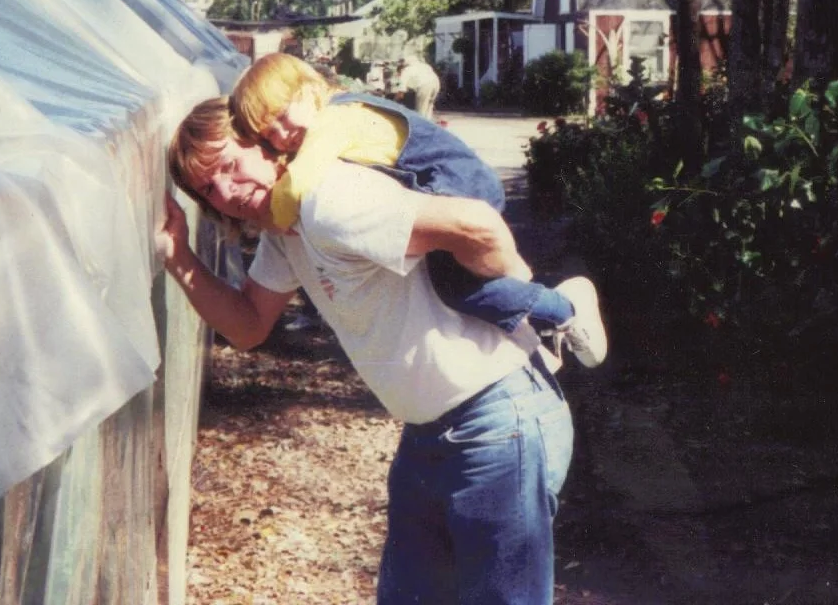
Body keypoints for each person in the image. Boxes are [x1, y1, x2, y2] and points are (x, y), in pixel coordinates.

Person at [157, 96, 575, 604]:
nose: (225, 191)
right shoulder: (286, 231)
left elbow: (477, 225)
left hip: (496, 421)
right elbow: (248, 326)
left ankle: (574, 305)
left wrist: (523, 297)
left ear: (267, 142)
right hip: (429, 435)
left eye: (229, 165)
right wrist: (179, 258)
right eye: (207, 188)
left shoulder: (329, 201)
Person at [231, 52, 606, 367]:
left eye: (281, 116)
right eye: (268, 135)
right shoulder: (335, 115)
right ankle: (536, 333)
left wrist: (266, 220)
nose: (280, 135)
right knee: (462, 288)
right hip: (447, 186)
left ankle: (562, 309)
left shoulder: (334, 120)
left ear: (309, 88)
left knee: (459, 291)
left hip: (459, 187)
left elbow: (297, 183)